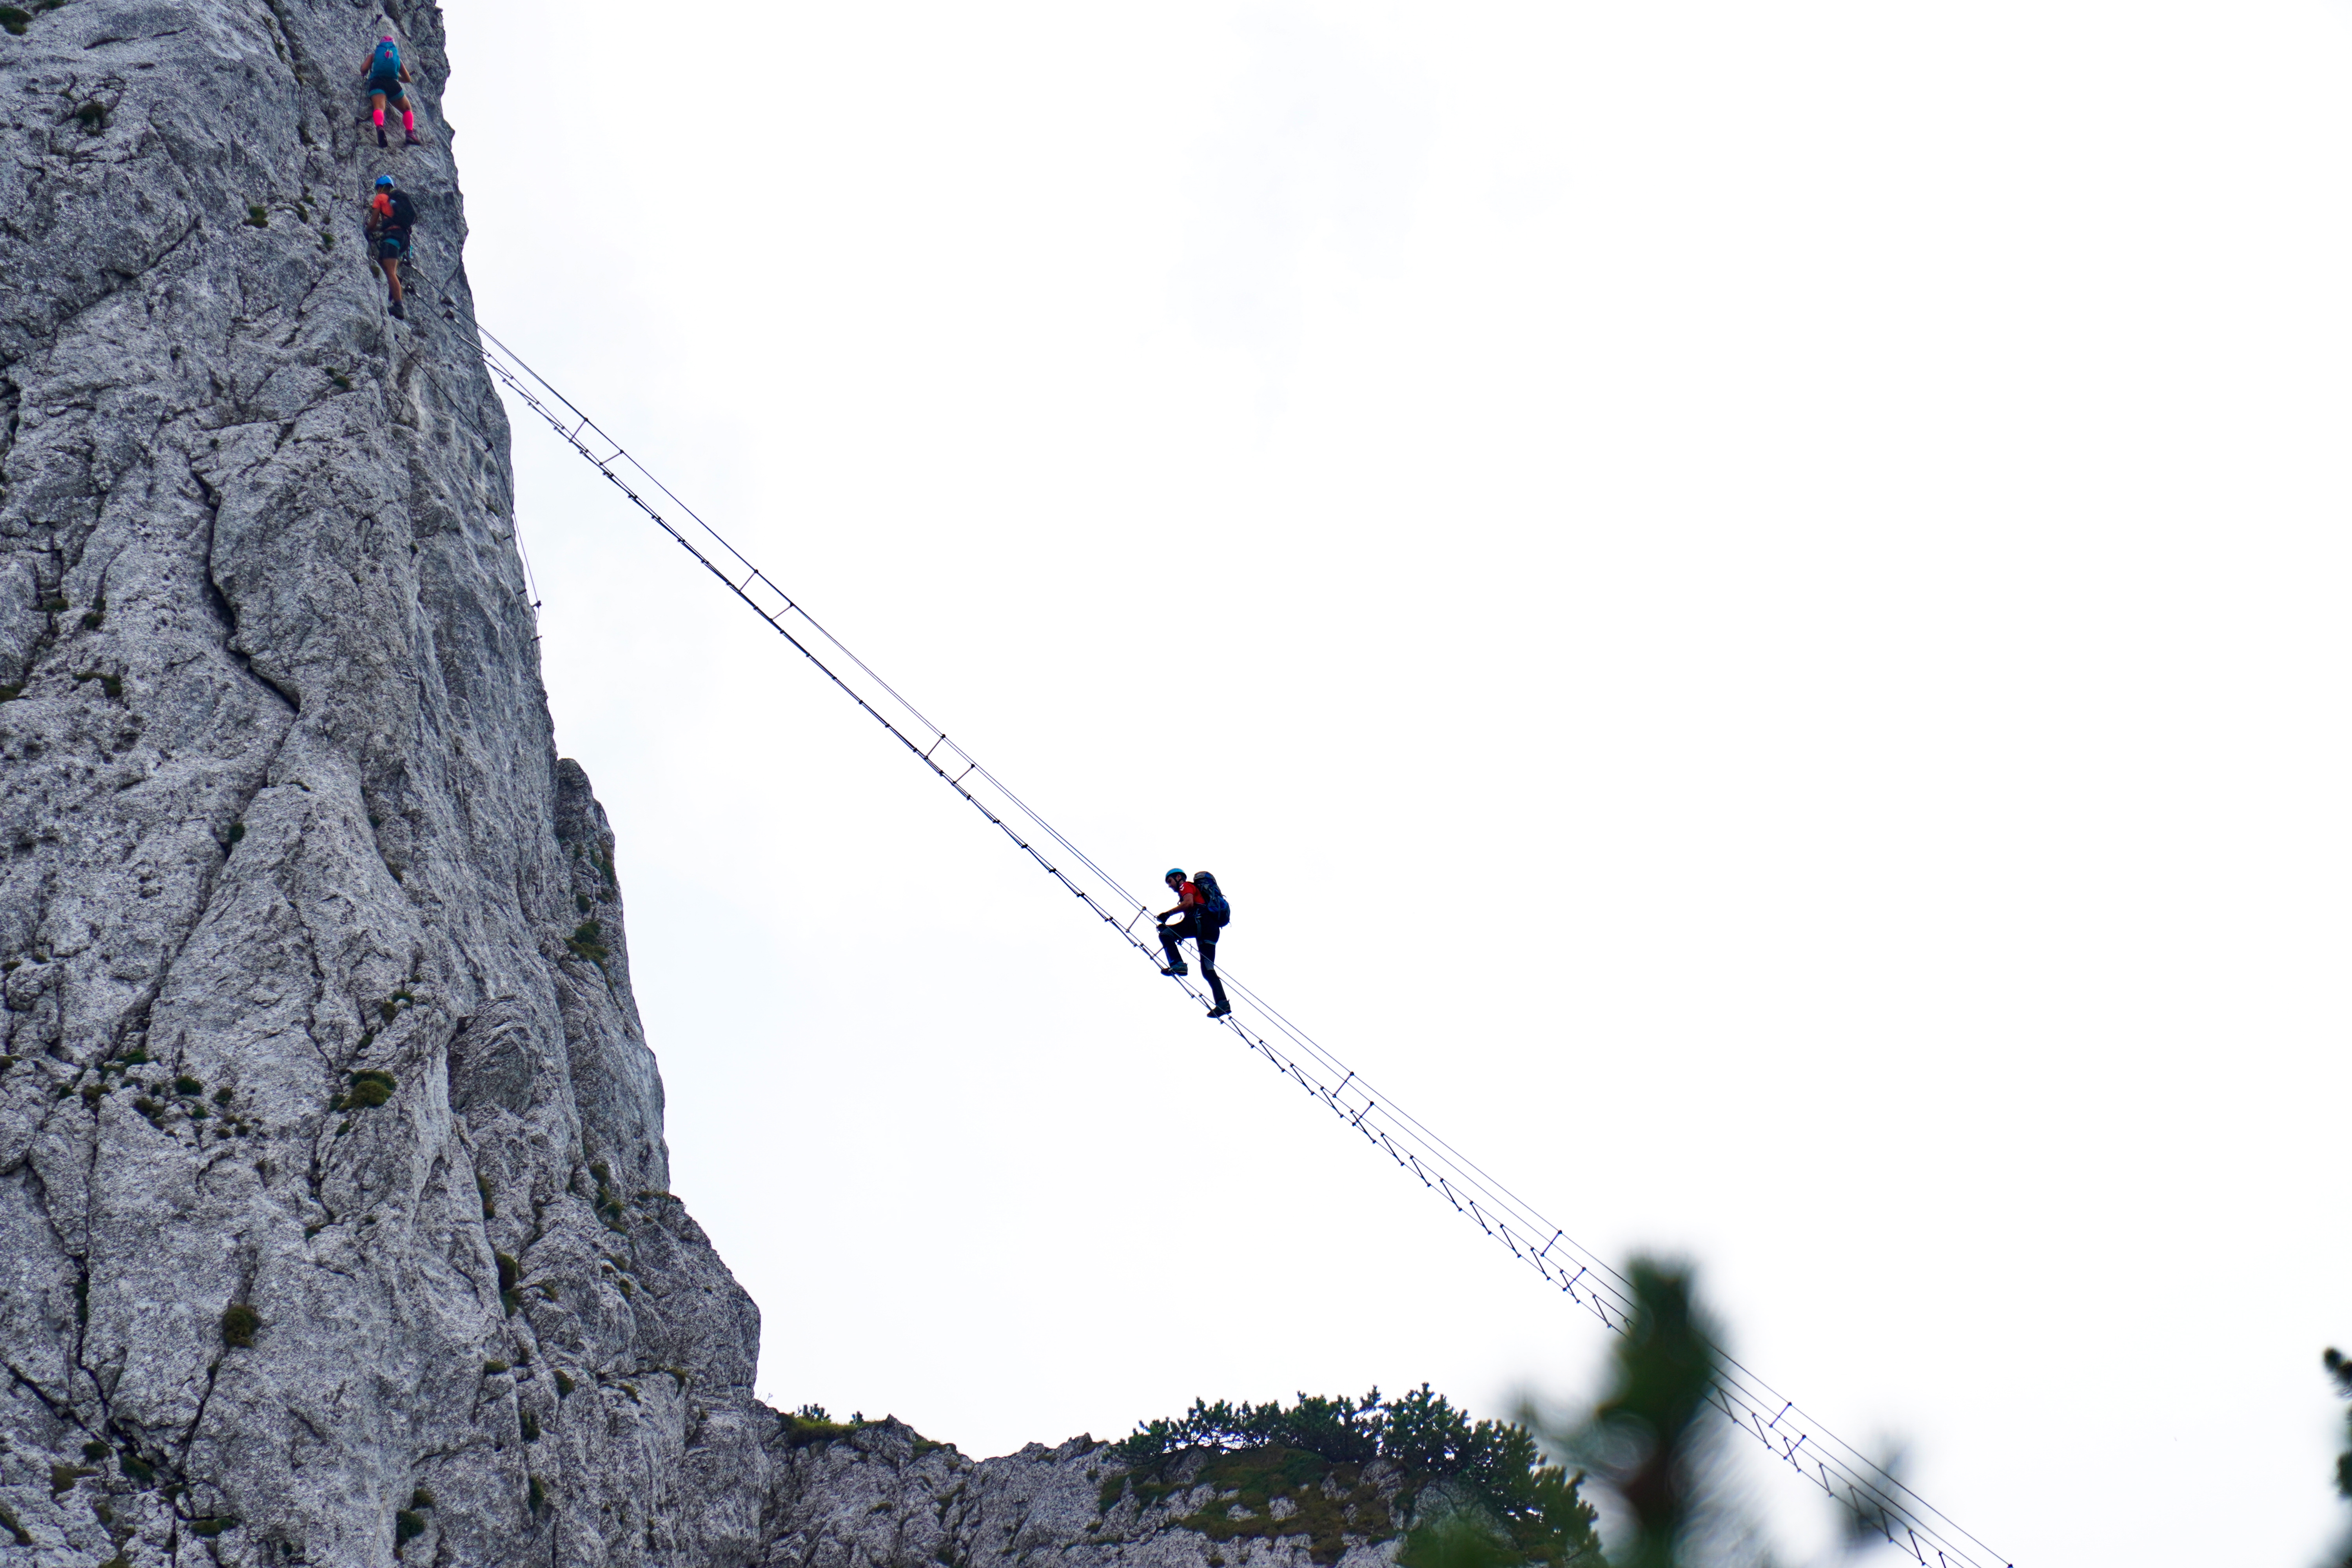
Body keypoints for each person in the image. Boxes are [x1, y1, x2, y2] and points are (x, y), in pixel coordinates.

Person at [1157, 867, 1232, 1019]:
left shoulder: (1185, 886)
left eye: (1170, 882)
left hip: (1200, 921)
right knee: (1208, 969)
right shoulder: (1194, 891)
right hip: (1211, 929)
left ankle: (1178, 965)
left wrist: (1167, 915)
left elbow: (1189, 904)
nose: (1170, 886)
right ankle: (1223, 1003)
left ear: (1179, 877)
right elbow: (1187, 922)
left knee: (1166, 935)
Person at [365, 174, 416, 319]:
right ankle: (394, 288)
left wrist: (367, 230)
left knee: (390, 270)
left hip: (392, 237)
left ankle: (398, 305)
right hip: (402, 239)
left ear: (380, 188)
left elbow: (373, 222)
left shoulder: (381, 198)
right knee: (383, 264)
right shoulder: (396, 201)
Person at [359, 32, 420, 148]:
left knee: (379, 108)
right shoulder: (397, 59)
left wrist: (363, 71)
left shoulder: (374, 55)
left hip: (377, 82)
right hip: (393, 84)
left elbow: (364, 69)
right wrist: (397, 77)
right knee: (407, 109)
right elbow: (408, 79)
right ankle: (410, 134)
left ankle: (380, 127)